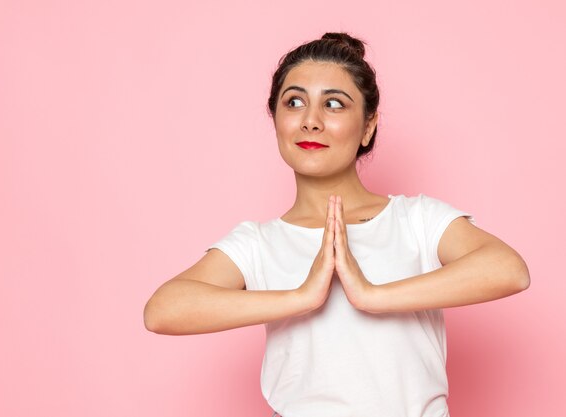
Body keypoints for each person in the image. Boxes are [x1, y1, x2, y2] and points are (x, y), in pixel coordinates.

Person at [143, 32, 531, 417]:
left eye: (334, 104)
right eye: (294, 102)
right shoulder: (257, 243)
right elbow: (162, 311)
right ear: (275, 119)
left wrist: (370, 295)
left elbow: (509, 270)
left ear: (367, 126)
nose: (311, 121)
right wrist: (302, 297)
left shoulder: (415, 219)